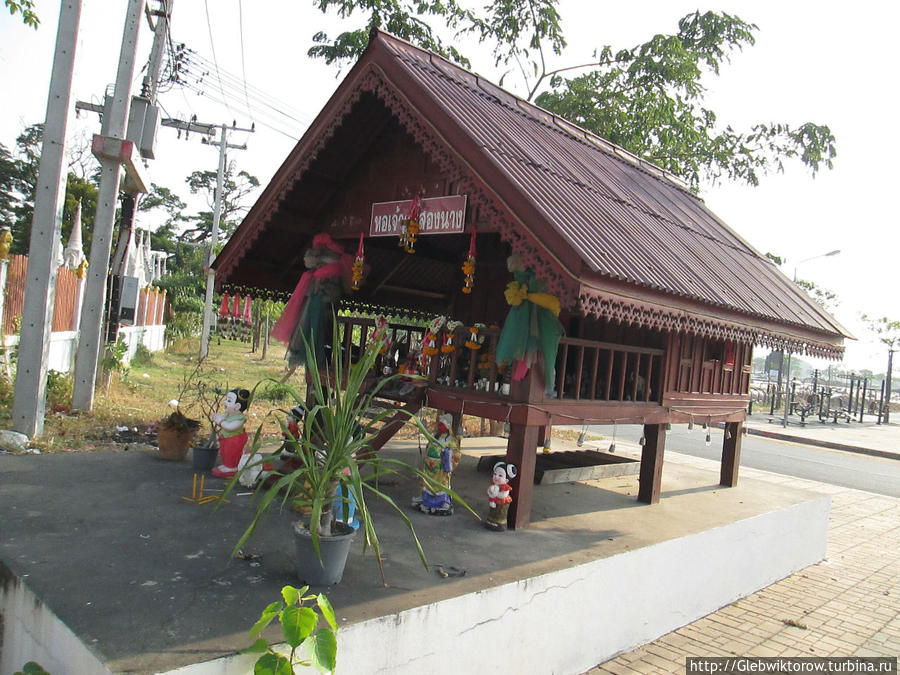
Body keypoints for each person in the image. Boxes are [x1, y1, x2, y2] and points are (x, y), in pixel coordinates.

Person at [270, 234, 352, 381]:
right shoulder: (315, 273)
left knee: (318, 338)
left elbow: (335, 293)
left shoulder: (334, 271)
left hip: (323, 312)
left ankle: (317, 366)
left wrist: (322, 289)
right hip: (312, 309)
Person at [413, 413, 461, 515]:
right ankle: (425, 500)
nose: (439, 427)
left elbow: (456, 454)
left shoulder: (451, 440)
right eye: (439, 425)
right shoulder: (435, 436)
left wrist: (448, 454)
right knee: (427, 482)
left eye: (441, 425)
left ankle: (443, 502)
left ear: (447, 426)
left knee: (441, 485)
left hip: (440, 468)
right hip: (429, 466)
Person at [210, 388, 250, 478]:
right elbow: (224, 422)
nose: (225, 403)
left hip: (234, 440)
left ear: (237, 406)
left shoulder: (240, 419)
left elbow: (230, 427)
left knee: (231, 453)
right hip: (225, 439)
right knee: (224, 452)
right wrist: (217, 418)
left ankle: (232, 467)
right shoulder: (228, 415)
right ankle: (226, 464)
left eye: (229, 401)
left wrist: (220, 421)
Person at [485, 461, 517, 531]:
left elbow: (503, 495)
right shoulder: (494, 485)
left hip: (501, 501)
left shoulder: (505, 488)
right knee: (492, 512)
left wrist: (495, 493)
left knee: (500, 513)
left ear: (506, 480)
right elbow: (489, 492)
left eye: (500, 475)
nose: (496, 477)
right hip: (494, 501)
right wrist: (490, 491)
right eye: (495, 474)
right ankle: (491, 521)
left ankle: (499, 524)